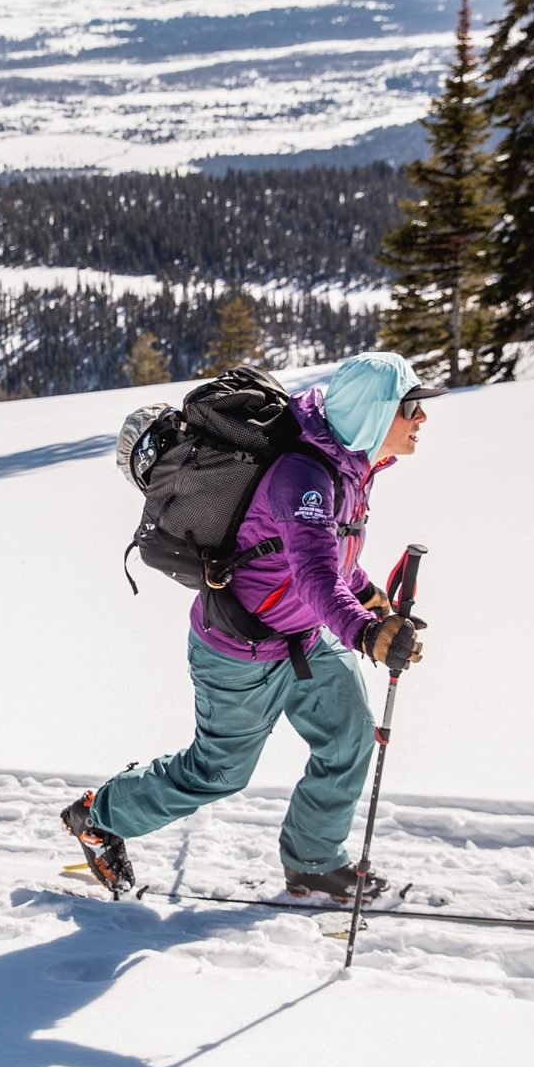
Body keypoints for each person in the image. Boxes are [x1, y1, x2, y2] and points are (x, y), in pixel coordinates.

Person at [63, 352, 442, 901]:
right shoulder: (304, 476)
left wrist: (369, 598)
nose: (422, 419)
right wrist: (364, 632)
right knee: (216, 773)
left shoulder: (349, 464)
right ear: (374, 412)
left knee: (349, 737)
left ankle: (313, 861)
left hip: (305, 639)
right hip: (239, 654)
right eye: (412, 407)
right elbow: (313, 571)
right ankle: (98, 817)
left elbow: (328, 556)